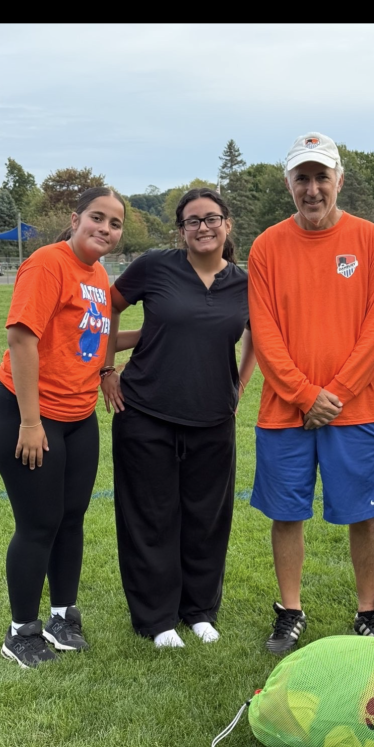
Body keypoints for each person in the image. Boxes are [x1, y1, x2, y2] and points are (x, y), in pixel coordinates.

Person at [247, 131, 374, 655]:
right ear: (288, 183)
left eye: (321, 177)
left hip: (353, 410)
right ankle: (289, 611)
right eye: (302, 178)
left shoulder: (372, 240)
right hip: (286, 410)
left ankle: (368, 611)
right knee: (287, 514)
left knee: (364, 514)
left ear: (340, 180)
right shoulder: (266, 246)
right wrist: (305, 395)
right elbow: (264, 332)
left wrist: (335, 393)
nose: (312, 189)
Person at [101, 188, 254, 648]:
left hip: (213, 417)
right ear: (181, 230)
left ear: (227, 224)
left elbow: (259, 336)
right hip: (144, 411)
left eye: (211, 218)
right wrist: (106, 369)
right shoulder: (155, 266)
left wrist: (239, 385)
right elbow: (108, 306)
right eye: (192, 221)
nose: (203, 227)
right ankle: (157, 619)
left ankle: (199, 611)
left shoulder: (246, 282)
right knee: (151, 517)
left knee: (207, 518)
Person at [0, 188, 126, 668]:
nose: (105, 229)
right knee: (39, 523)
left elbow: (93, 336)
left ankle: (62, 617)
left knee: (71, 518)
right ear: (75, 218)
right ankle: (21, 632)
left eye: (115, 223)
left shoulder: (98, 273)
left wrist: (166, 330)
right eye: (97, 218)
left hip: (78, 417)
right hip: (29, 414)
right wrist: (30, 421)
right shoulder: (48, 263)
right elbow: (21, 338)